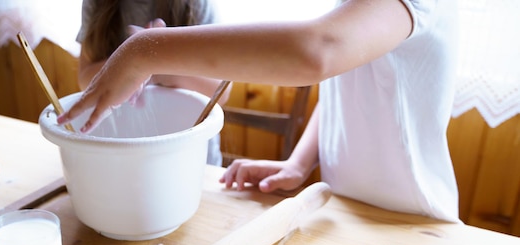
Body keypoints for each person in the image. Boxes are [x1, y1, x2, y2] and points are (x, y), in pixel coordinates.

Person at [59, 0, 461, 222]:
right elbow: (346, 90)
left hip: (413, 219)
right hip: (350, 208)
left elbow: (315, 51)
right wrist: (298, 164)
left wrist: (144, 51)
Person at [76, 0, 229, 166]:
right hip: (122, 154)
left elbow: (220, 91)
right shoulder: (96, 3)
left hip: (193, 157)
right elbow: (85, 79)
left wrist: (155, 63)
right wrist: (133, 60)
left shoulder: (196, 3)